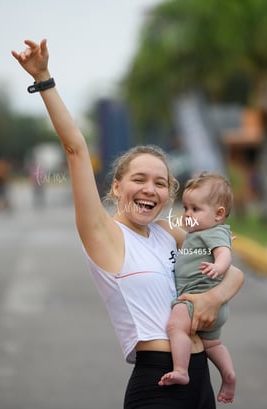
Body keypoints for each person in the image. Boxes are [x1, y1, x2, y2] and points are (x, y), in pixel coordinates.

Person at [12, 39, 244, 409]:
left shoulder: (170, 231)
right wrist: (43, 79)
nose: (149, 189)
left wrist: (215, 296)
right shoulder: (104, 235)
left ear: (170, 192)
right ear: (116, 186)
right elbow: (75, 148)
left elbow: (233, 269)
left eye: (160, 183)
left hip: (201, 377)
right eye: (138, 179)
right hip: (159, 382)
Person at [158, 172, 236, 404]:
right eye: (186, 208)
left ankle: (181, 370)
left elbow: (224, 253)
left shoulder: (214, 232)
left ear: (219, 214)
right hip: (213, 307)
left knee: (175, 326)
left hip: (197, 299)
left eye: (195, 209)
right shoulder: (197, 234)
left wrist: (219, 267)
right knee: (213, 344)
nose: (188, 214)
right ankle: (228, 374)